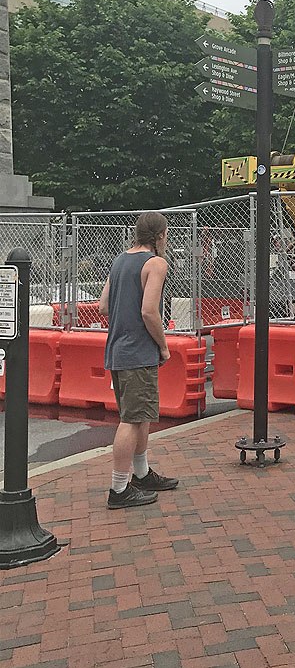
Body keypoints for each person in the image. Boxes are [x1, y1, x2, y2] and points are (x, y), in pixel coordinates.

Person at [99, 211, 179, 509]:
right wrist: (164, 345)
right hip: (138, 352)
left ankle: (142, 474)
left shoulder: (120, 260)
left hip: (118, 349)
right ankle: (119, 489)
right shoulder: (156, 263)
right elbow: (149, 311)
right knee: (131, 420)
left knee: (140, 414)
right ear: (160, 236)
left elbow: (103, 306)